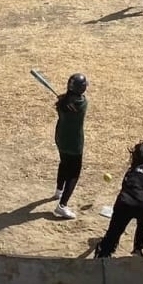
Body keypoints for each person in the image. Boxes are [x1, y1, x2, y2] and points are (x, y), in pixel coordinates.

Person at [95, 142, 143, 258]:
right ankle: (139, 249)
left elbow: (125, 189)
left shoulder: (130, 171)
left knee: (115, 230)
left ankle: (105, 251)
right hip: (141, 204)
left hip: (123, 203)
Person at [52, 73, 88, 219]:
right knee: (74, 173)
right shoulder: (82, 103)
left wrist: (63, 99)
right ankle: (62, 205)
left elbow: (63, 104)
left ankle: (59, 190)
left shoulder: (61, 104)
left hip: (61, 139)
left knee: (64, 163)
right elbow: (79, 102)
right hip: (74, 143)